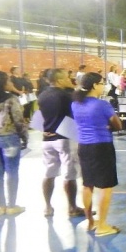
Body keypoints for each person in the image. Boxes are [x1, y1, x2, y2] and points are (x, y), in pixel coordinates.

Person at [72, 72, 123, 236]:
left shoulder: (76, 104)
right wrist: (108, 126)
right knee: (106, 187)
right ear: (94, 85)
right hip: (101, 146)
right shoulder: (102, 105)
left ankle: (90, 222)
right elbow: (118, 125)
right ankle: (102, 226)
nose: (104, 86)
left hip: (84, 146)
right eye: (102, 83)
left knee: (87, 185)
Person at [37, 68, 83, 218]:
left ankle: (47, 207)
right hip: (65, 137)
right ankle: (72, 207)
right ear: (59, 80)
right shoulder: (66, 96)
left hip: (47, 138)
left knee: (49, 173)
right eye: (67, 77)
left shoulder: (42, 95)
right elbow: (77, 112)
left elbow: (40, 116)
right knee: (70, 174)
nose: (70, 79)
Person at [0, 71, 28, 216]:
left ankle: (1, 206)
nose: (11, 83)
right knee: (12, 171)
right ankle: (12, 206)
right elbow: (18, 120)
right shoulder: (11, 99)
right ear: (2, 84)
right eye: (8, 81)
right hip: (9, 138)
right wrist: (24, 137)